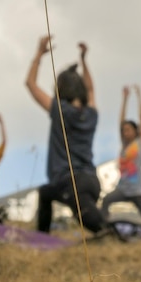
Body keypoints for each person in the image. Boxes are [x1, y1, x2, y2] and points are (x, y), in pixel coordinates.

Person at [26, 36, 109, 235]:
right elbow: (91, 89)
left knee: (102, 229)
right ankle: (42, 238)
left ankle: (127, 232)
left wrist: (39, 53)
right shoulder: (91, 113)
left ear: (60, 90)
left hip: (71, 182)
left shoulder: (59, 110)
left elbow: (30, 84)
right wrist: (84, 61)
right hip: (91, 181)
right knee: (45, 193)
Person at [101, 85, 141, 226]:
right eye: (124, 130)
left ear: (135, 130)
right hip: (122, 189)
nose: (125, 132)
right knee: (106, 201)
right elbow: (120, 121)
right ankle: (105, 227)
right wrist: (125, 99)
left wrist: (138, 97)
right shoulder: (124, 146)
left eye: (128, 129)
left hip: (137, 190)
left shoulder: (140, 143)